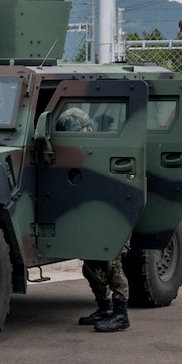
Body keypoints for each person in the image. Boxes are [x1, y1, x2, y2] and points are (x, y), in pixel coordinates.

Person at [55, 101, 131, 333]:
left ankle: (121, 315)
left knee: (112, 267)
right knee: (91, 268)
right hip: (93, 221)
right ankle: (105, 308)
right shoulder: (76, 155)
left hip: (113, 220)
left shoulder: (101, 150)